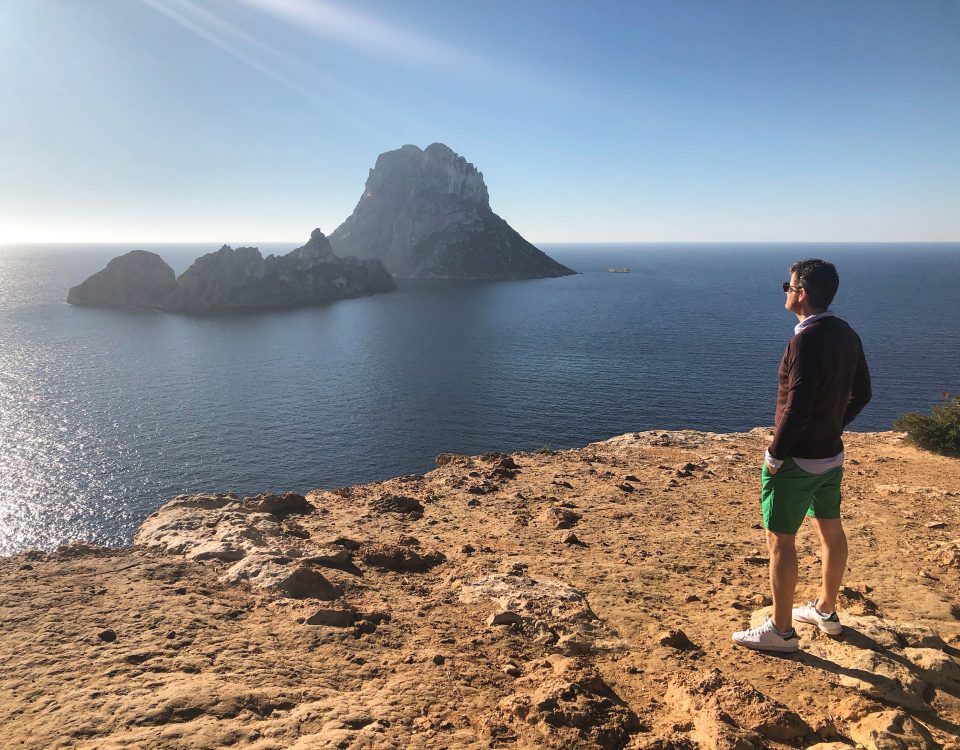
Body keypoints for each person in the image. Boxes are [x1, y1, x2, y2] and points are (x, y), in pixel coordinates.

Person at [733, 259, 871, 653]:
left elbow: (797, 406)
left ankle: (780, 631)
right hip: (831, 455)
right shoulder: (847, 333)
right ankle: (825, 611)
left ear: (802, 294)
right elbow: (863, 393)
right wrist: (834, 425)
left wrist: (776, 453)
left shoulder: (805, 340)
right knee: (830, 528)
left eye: (788, 286)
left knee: (781, 541)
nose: (786, 292)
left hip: (797, 460)